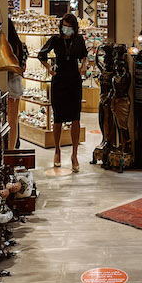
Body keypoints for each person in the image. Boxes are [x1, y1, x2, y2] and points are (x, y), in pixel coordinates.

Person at [38, 13, 87, 172]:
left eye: (70, 26)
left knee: (75, 117)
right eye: (65, 25)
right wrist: (50, 69)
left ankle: (74, 154)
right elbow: (41, 55)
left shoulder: (79, 40)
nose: (67, 29)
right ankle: (57, 151)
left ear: (74, 27)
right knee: (57, 117)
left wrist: (84, 65)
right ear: (61, 26)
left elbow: (84, 55)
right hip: (59, 80)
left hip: (74, 79)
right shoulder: (55, 39)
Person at [7, 17, 28, 151]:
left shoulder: (4, 46)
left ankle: (7, 150)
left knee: (5, 121)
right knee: (13, 121)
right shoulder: (21, 46)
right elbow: (23, 68)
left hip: (6, 84)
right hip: (17, 85)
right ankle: (12, 149)